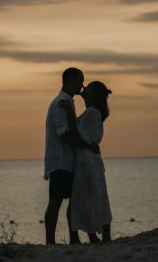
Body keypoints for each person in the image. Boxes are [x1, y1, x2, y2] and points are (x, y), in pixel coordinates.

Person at [44, 68, 100, 245]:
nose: (82, 85)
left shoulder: (67, 102)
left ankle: (73, 239)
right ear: (70, 81)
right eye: (80, 81)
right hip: (61, 161)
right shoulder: (62, 102)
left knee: (71, 202)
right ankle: (50, 242)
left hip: (66, 161)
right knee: (55, 202)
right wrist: (87, 146)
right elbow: (64, 135)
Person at [57, 81, 113, 243]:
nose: (83, 87)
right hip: (90, 160)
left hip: (85, 162)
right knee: (96, 196)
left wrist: (68, 111)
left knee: (82, 198)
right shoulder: (93, 113)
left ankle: (94, 236)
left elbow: (75, 132)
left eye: (87, 87)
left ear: (92, 94)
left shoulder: (91, 113)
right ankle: (99, 236)